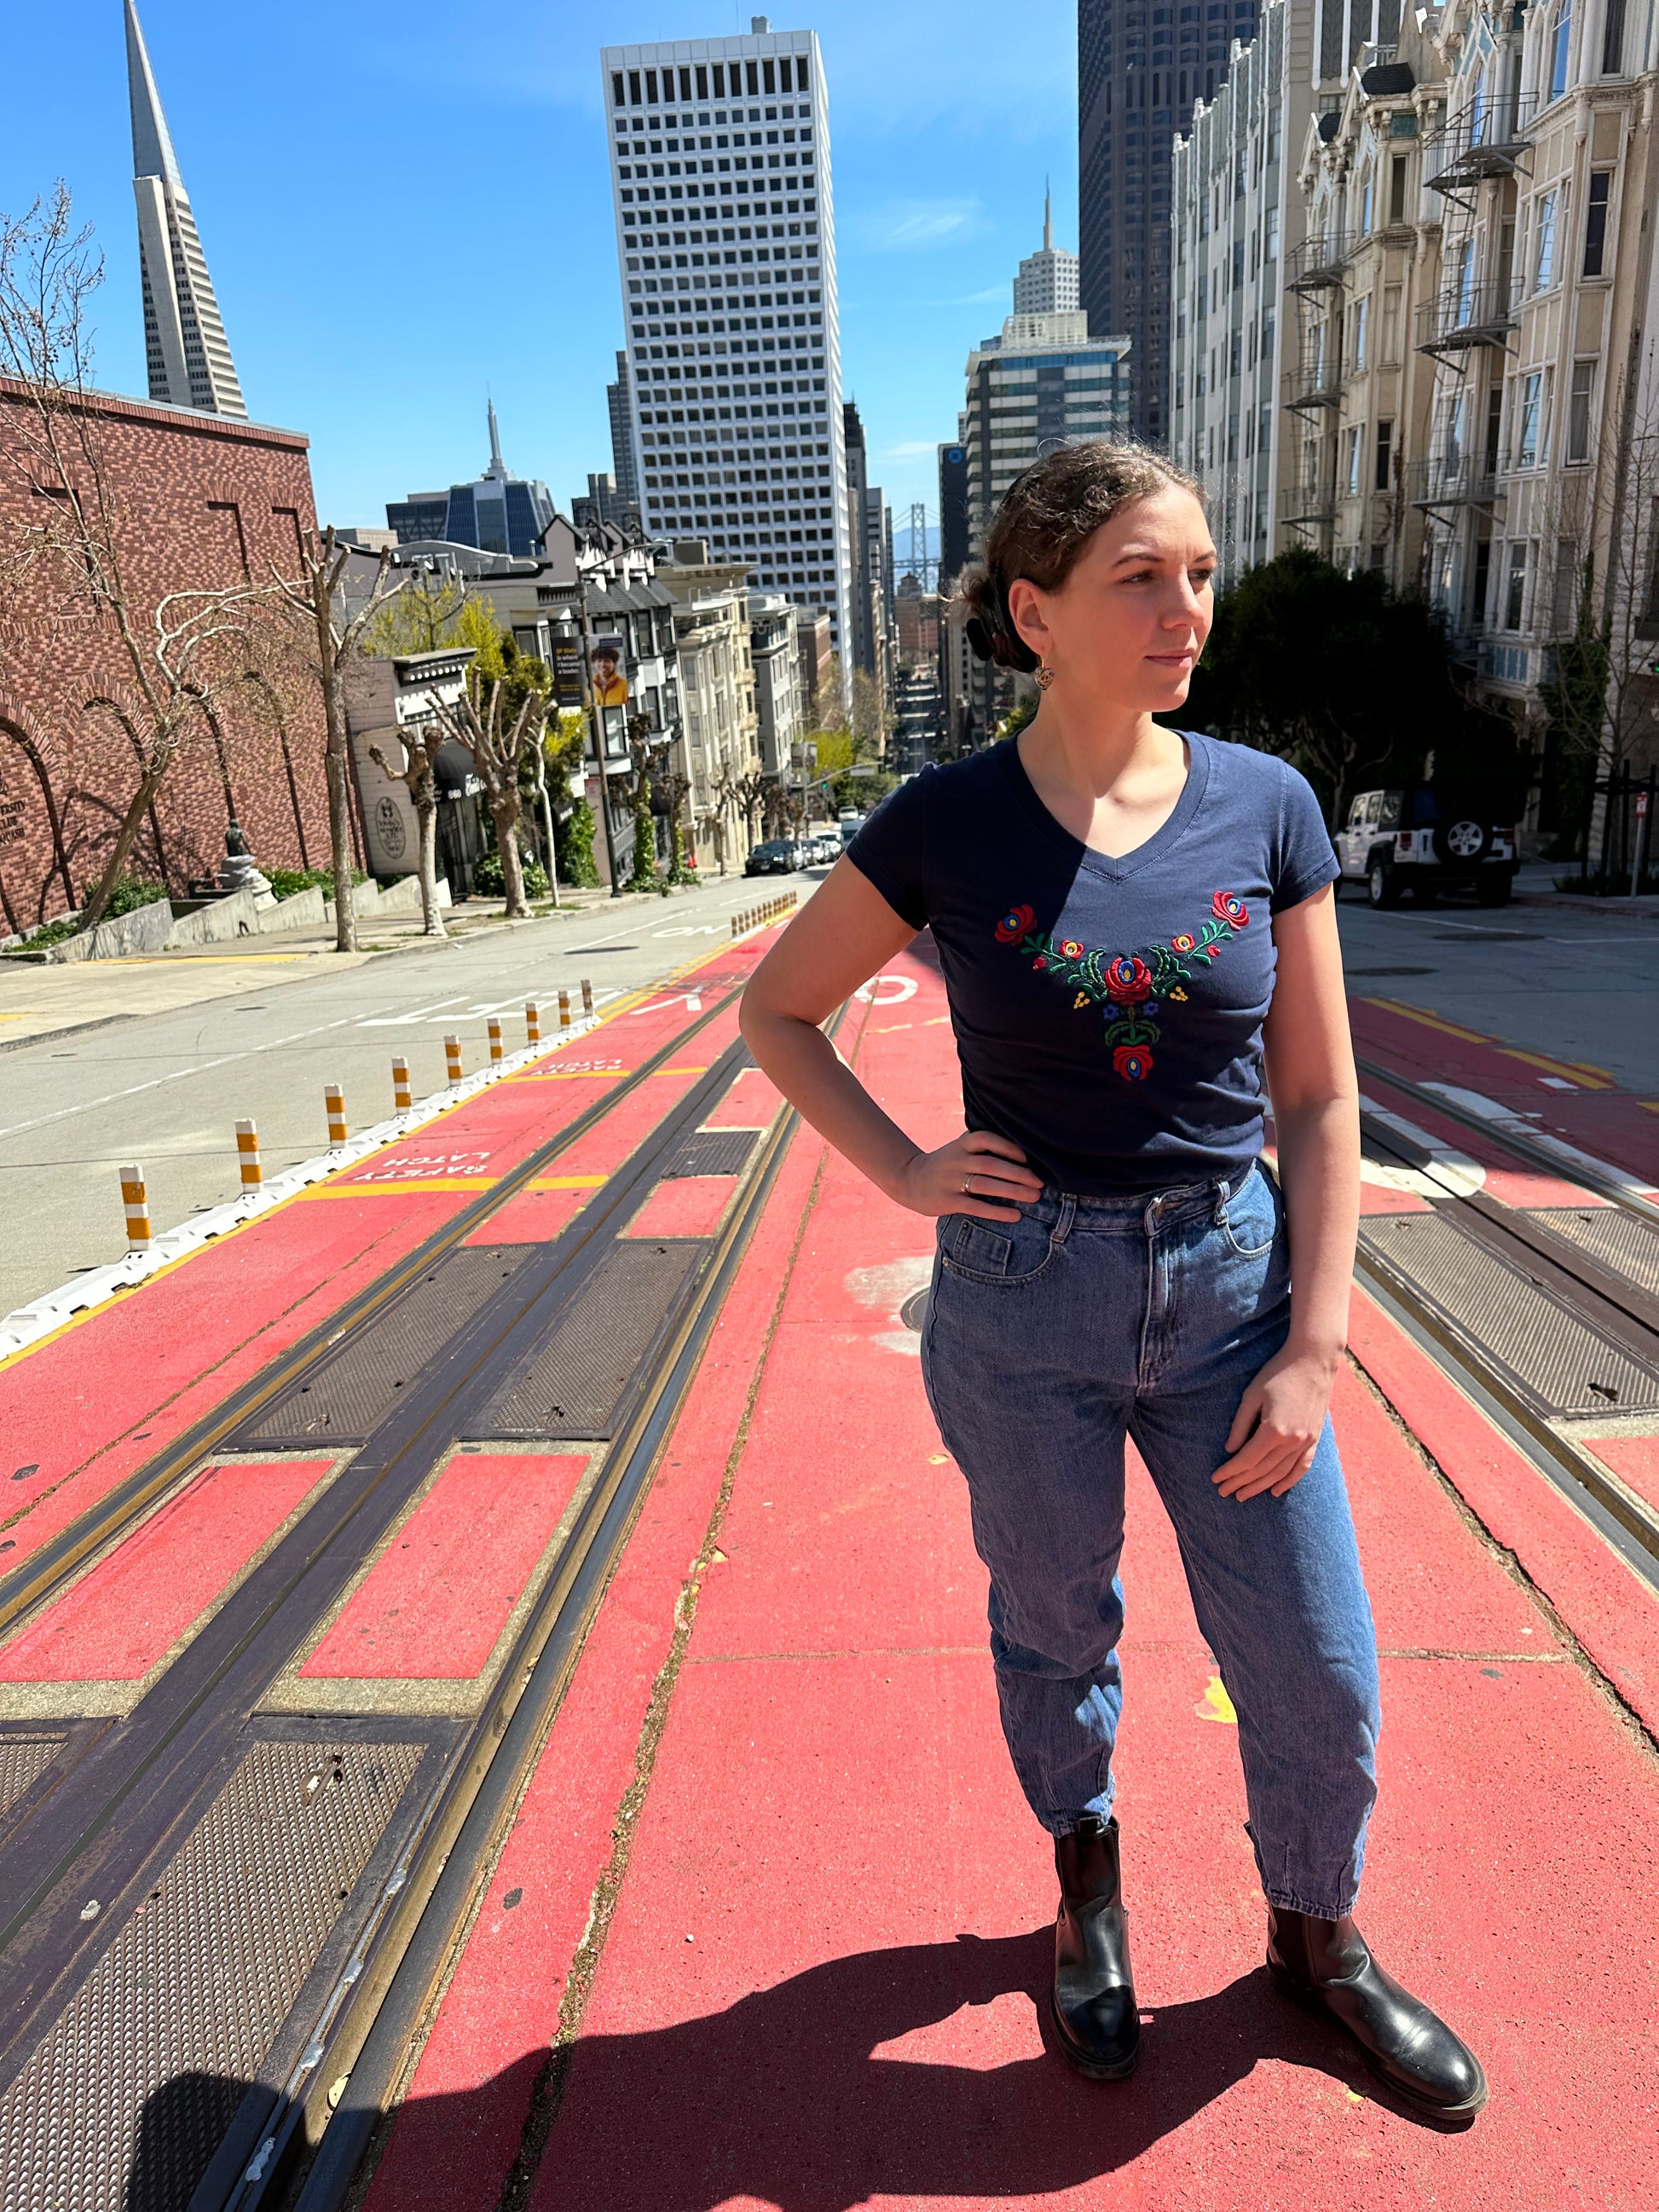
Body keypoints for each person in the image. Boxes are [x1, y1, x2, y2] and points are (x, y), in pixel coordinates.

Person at [738, 442, 1486, 2118]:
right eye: (1142, 576)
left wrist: (1317, 1335)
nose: (1186, 609)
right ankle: (1087, 1884)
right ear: (1036, 610)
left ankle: (1316, 1932)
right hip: (1021, 1300)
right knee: (1055, 1618)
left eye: (1200, 572)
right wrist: (910, 1168)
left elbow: (1317, 1094)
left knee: (1317, 1653)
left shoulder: (1263, 804)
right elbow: (776, 1013)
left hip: (1227, 1281)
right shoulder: (943, 823)